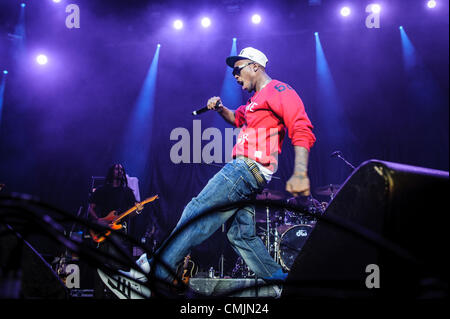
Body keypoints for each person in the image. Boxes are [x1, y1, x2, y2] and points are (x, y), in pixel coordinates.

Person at [99, 47, 316, 299]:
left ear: (255, 66)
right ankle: (281, 285)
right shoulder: (254, 102)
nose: (235, 75)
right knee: (241, 236)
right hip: (250, 173)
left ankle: (149, 280)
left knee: (196, 213)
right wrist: (220, 108)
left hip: (245, 168)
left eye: (238, 69)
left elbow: (301, 127)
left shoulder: (279, 91)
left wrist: (300, 172)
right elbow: (237, 118)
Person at [88, 163, 141, 298]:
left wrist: (138, 210)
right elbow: (91, 208)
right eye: (117, 169)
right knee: (100, 265)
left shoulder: (127, 192)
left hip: (118, 233)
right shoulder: (101, 190)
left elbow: (132, 214)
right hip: (102, 230)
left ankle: (113, 295)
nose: (119, 171)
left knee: (115, 266)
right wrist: (99, 220)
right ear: (111, 171)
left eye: (121, 169)